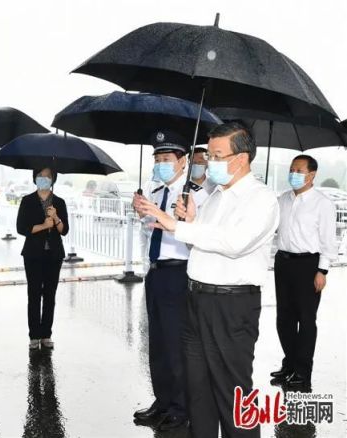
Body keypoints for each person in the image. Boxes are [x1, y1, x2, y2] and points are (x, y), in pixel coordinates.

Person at [137, 122, 279, 438]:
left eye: (216, 155)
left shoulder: (261, 199)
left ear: (240, 158)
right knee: (198, 391)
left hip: (231, 305)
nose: (209, 162)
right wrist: (190, 222)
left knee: (232, 393)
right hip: (196, 300)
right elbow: (199, 246)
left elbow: (234, 243)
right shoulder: (215, 197)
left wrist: (177, 225)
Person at [132, 131, 209, 431]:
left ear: (182, 162)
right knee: (158, 343)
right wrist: (140, 211)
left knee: (177, 344)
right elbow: (150, 229)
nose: (160, 165)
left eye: (166, 159)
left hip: (179, 273)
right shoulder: (155, 191)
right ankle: (162, 401)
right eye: (157, 160)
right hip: (156, 272)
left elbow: (198, 239)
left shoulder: (195, 196)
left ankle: (180, 407)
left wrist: (182, 219)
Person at [270, 155, 337, 389]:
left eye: (299, 171)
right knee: (284, 319)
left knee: (306, 320)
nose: (293, 174)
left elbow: (328, 241)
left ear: (311, 175)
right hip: (283, 263)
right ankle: (289, 365)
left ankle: (302, 372)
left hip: (308, 265)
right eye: (291, 169)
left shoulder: (322, 204)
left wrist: (322, 271)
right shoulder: (282, 200)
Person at [16, 167, 69, 349]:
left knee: (49, 295)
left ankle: (46, 334)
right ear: (35, 178)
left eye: (47, 176)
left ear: (53, 179)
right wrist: (43, 225)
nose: (44, 179)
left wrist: (56, 218)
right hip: (33, 254)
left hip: (54, 255)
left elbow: (64, 230)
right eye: (40, 176)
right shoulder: (27, 200)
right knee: (34, 294)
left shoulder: (59, 202)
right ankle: (34, 335)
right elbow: (21, 228)